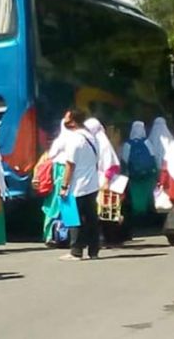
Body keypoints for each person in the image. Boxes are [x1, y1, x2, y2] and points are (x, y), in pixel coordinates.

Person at [58, 109, 101, 261]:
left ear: (73, 122)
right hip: (92, 183)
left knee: (73, 218)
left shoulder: (74, 139)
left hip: (77, 185)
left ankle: (76, 251)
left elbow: (70, 165)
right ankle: (94, 250)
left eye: (67, 118)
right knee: (91, 218)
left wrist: (64, 186)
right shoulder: (91, 137)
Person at [85, 117, 125, 245]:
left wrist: (106, 180)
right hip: (95, 181)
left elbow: (111, 164)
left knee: (107, 210)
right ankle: (100, 237)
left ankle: (109, 238)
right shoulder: (92, 142)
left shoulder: (103, 143)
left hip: (104, 181)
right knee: (100, 210)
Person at [39, 121, 72, 245]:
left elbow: (51, 155)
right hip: (69, 176)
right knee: (68, 206)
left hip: (55, 178)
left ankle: (49, 235)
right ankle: (69, 238)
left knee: (52, 206)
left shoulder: (59, 141)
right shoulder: (76, 140)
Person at [121, 121, 158, 220]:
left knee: (136, 196)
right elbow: (153, 157)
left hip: (134, 176)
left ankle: (137, 215)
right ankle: (147, 215)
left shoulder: (127, 144)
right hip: (147, 175)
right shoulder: (147, 142)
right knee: (147, 194)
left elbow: (124, 160)